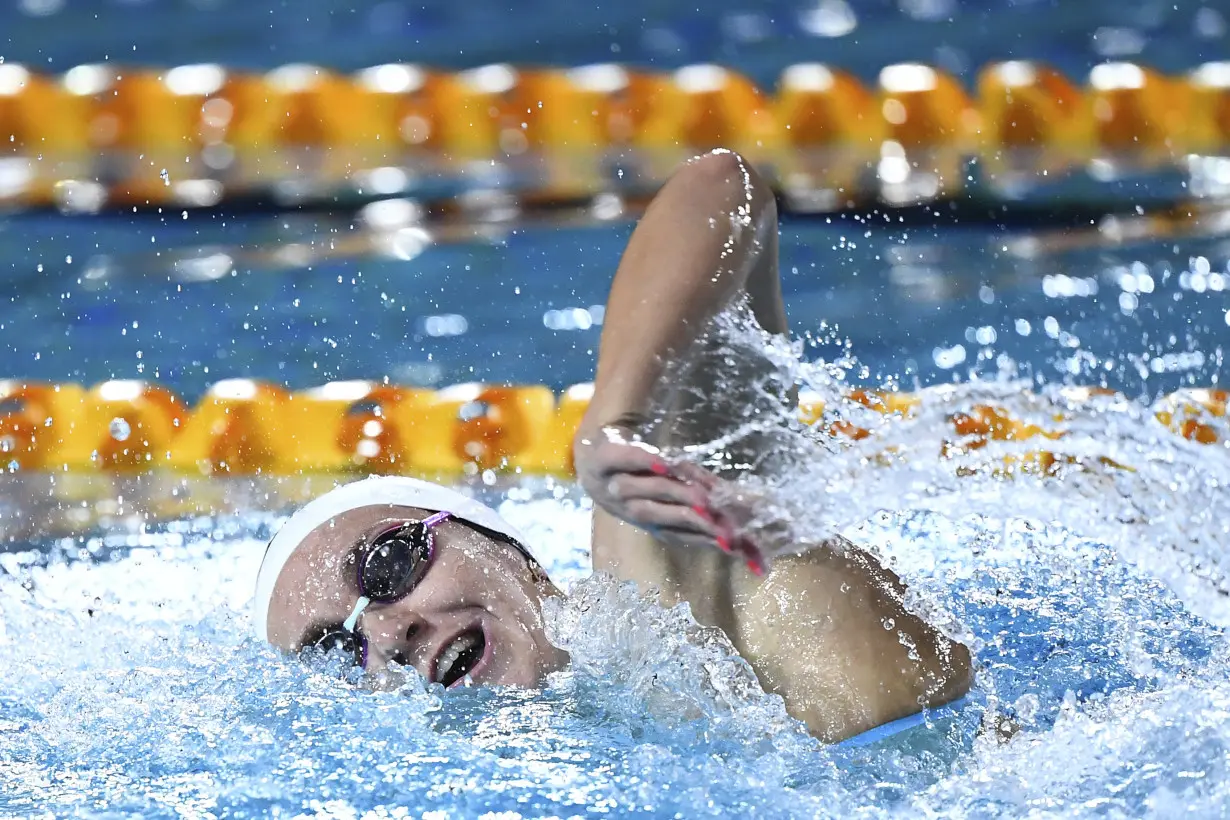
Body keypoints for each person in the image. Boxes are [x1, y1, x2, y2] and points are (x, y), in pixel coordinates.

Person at [254, 150, 973, 744]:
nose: (386, 630)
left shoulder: (672, 572)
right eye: (338, 653)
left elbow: (722, 186)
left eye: (387, 565)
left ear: (513, 555)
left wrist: (619, 420)